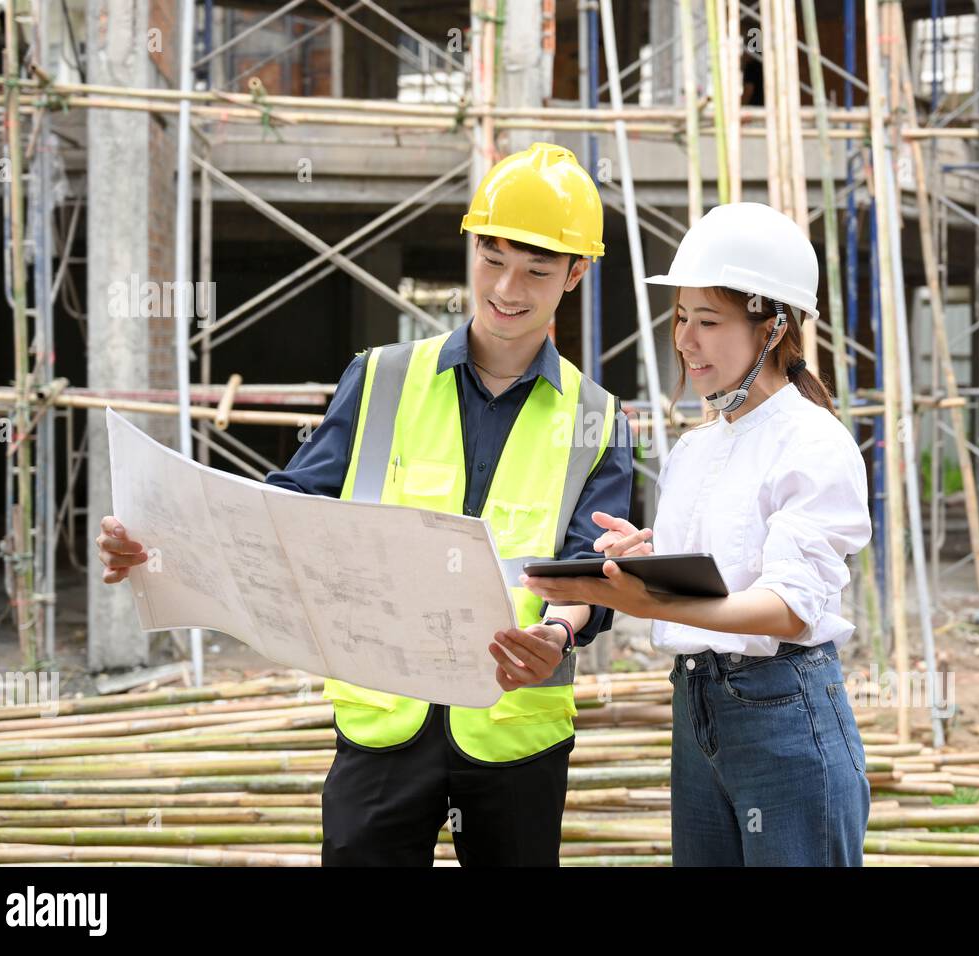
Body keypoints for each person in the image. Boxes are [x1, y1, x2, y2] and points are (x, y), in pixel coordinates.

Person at [95, 142, 635, 866]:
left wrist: (558, 637)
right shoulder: (380, 379)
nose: (507, 287)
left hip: (516, 731)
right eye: (491, 258)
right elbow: (278, 518)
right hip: (383, 716)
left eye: (536, 270)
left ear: (575, 274)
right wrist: (160, 545)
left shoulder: (598, 416)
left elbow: (586, 571)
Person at [522, 202, 872, 866]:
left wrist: (655, 600)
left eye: (709, 321)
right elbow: (726, 570)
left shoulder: (814, 442)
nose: (685, 339)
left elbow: (789, 608)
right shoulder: (694, 449)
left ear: (772, 328)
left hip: (782, 712)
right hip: (697, 707)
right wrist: (649, 561)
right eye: (681, 317)